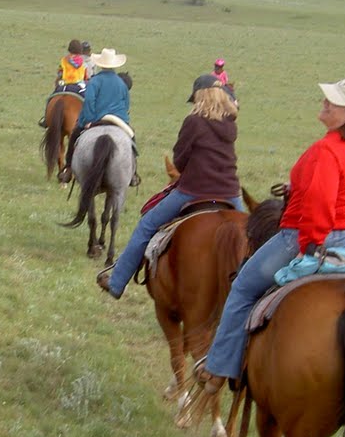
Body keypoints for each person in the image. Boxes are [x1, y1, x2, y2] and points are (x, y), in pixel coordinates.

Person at [197, 77, 345, 397]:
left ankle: (219, 366)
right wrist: (299, 187)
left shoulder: (326, 150)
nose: (325, 101)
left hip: (311, 235)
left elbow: (321, 204)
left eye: (334, 101)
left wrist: (311, 245)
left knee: (242, 288)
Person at [98, 76, 243, 298]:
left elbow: (180, 160)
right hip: (230, 193)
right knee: (250, 238)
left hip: (194, 190)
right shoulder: (230, 123)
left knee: (146, 226)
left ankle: (117, 282)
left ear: (199, 97)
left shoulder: (193, 122)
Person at [61, 47, 132, 183]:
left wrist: (87, 121)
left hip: (96, 119)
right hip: (118, 120)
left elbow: (89, 101)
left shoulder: (94, 81)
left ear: (100, 64)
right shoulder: (121, 83)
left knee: (75, 135)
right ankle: (133, 173)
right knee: (131, 138)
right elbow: (126, 105)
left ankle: (68, 168)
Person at [40, 38, 90, 125]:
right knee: (87, 101)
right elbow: (85, 76)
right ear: (80, 50)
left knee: (51, 98)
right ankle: (88, 120)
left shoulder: (64, 60)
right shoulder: (82, 61)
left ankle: (45, 119)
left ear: (69, 49)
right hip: (78, 85)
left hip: (64, 85)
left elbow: (60, 73)